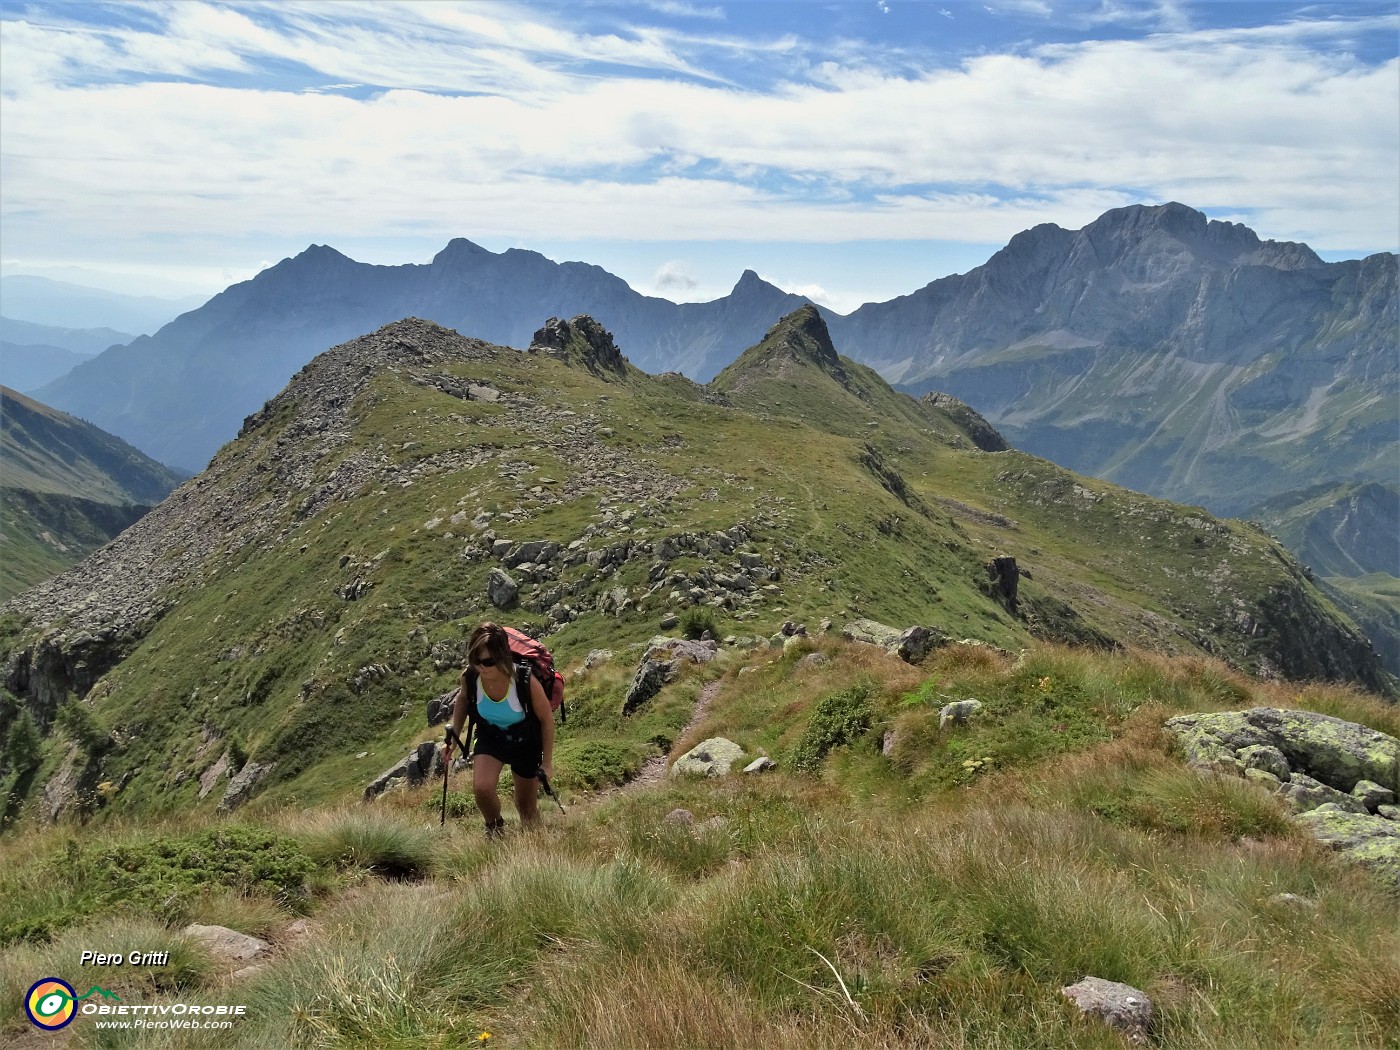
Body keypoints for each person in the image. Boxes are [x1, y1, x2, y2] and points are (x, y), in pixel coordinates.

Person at [445, 622, 555, 838]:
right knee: (482, 789)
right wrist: (453, 737)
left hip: (525, 742)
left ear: (502, 657)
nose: (481, 667)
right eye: (475, 660)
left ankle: (536, 847)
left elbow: (546, 720)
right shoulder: (471, 677)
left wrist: (547, 763)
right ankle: (495, 832)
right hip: (490, 736)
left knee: (526, 808)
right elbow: (463, 700)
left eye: (487, 661)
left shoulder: (525, 681)